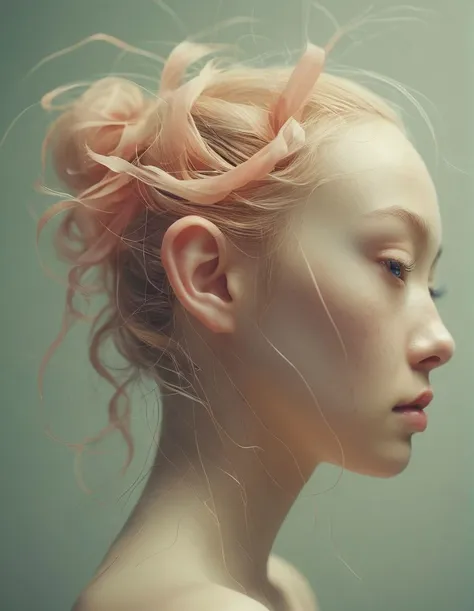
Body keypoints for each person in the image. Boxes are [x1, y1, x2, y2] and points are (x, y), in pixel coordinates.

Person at [37, 30, 455, 611]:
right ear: (209, 276)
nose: (441, 341)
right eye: (394, 266)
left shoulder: (279, 592)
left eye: (430, 284)